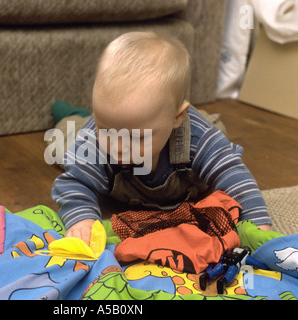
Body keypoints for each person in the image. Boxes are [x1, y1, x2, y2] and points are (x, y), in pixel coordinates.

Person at [52, 32, 272, 244]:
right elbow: (74, 182)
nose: (117, 147)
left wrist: (257, 227)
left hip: (192, 132)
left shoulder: (198, 137)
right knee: (66, 145)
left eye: (135, 137)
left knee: (217, 134)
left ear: (177, 117)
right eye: (106, 129)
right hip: (85, 128)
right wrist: (83, 219)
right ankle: (73, 115)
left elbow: (234, 176)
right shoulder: (94, 138)